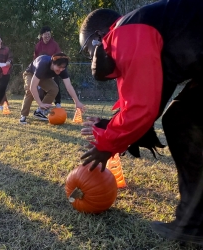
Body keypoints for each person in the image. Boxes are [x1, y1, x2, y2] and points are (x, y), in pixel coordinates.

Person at [78, 1, 203, 245]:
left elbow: (141, 110)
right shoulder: (145, 28)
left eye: (87, 51)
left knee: (182, 120)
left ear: (97, 38)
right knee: (181, 119)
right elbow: (149, 101)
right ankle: (195, 223)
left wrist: (107, 144)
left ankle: (195, 223)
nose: (90, 58)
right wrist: (111, 124)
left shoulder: (124, 31)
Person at [19, 52, 85, 124]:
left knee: (54, 89)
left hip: (44, 77)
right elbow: (33, 87)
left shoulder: (62, 69)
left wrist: (77, 102)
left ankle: (39, 111)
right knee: (29, 90)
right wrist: (40, 103)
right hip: (30, 74)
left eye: (63, 68)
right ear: (53, 63)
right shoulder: (43, 64)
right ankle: (23, 115)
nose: (60, 70)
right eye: (59, 67)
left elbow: (69, 86)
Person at [34, 26, 62, 108]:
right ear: (41, 35)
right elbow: (35, 58)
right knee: (42, 87)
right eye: (45, 34)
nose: (47, 36)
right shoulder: (38, 45)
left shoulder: (54, 44)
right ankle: (43, 103)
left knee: (56, 85)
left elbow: (59, 56)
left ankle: (58, 102)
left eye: (49, 34)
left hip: (53, 69)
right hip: (42, 69)